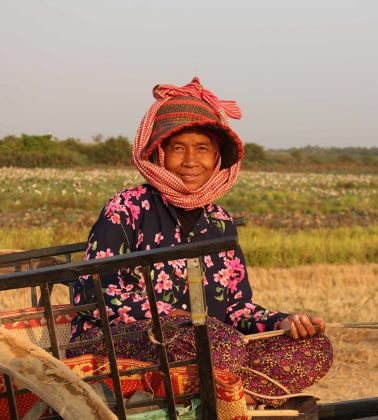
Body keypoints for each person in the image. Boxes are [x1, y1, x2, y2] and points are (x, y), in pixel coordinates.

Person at [68, 77, 332, 408]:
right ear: (159, 154)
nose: (191, 161)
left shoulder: (221, 223)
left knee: (313, 348)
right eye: (178, 148)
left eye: (202, 148)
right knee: (215, 340)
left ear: (217, 156)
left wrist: (283, 321)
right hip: (115, 339)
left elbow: (236, 307)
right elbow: (94, 296)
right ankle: (232, 397)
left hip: (209, 342)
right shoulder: (126, 208)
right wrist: (176, 316)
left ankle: (234, 395)